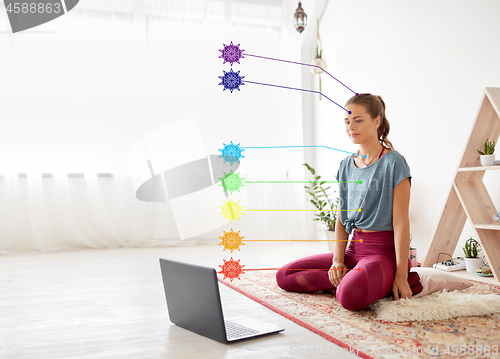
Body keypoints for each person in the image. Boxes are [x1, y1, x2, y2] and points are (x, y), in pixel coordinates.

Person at [276, 93, 422, 311]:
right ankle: (357, 281)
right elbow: (341, 217)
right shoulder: (346, 165)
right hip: (353, 251)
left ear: (376, 121)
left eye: (358, 120)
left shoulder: (394, 163)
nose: (351, 127)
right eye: (347, 121)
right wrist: (338, 261)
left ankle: (378, 281)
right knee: (285, 276)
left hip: (382, 254)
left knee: (349, 298)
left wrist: (401, 276)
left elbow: (401, 222)